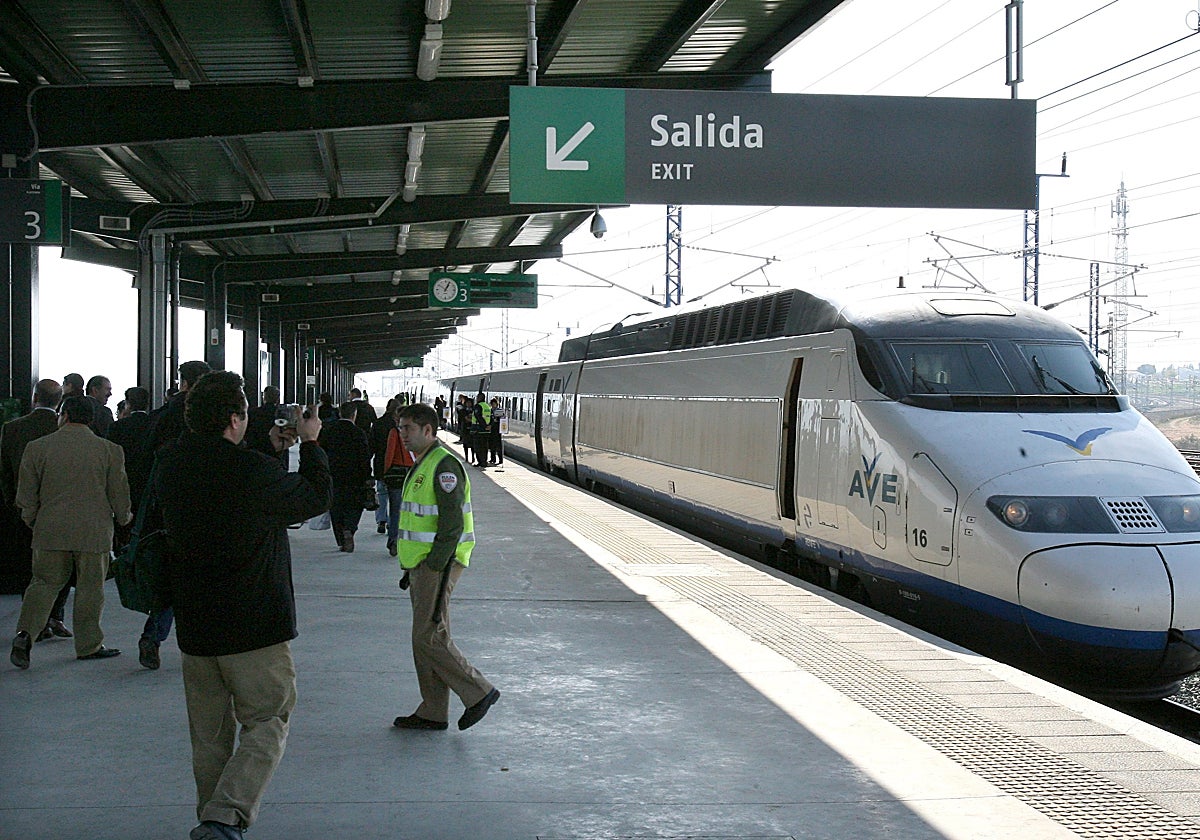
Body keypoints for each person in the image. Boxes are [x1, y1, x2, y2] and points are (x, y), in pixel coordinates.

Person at [154, 371, 328, 840]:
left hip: (195, 622)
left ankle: (212, 820)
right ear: (235, 419)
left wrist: (267, 450)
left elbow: (222, 485)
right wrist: (309, 444)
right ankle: (225, 816)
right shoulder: (253, 473)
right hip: (253, 625)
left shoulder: (171, 463)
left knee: (209, 736)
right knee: (268, 719)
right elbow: (314, 497)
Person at [392, 402, 499, 732]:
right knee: (426, 636)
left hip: (438, 564)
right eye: (400, 428)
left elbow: (452, 524)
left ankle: (479, 691)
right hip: (421, 564)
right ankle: (433, 710)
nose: (402, 434)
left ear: (428, 430)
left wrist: (435, 565)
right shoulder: (424, 462)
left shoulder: (443, 466)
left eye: (408, 428)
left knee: (428, 637)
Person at [9, 396, 132, 669]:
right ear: (90, 419)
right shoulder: (109, 450)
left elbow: (26, 495)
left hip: (50, 528)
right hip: (94, 530)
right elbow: (119, 494)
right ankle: (89, 645)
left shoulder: (37, 448)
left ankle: (25, 634)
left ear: (62, 415)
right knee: (91, 588)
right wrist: (124, 519)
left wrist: (32, 519)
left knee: (43, 583)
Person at [137, 359, 211, 670]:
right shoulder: (209, 414)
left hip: (168, 507)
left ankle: (153, 637)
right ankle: (205, 645)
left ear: (181, 380)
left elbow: (147, 458)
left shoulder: (162, 415)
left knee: (171, 577)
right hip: (205, 506)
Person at [0, 380, 65, 606]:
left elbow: (5, 473)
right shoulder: (62, 430)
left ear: (35, 398)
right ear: (59, 401)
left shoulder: (12, 428)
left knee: (26, 563)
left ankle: (31, 612)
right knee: (59, 564)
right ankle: (55, 614)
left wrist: (12, 502)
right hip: (58, 507)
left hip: (23, 507)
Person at [318, 401, 371, 552]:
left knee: (336, 507)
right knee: (355, 505)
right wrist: (367, 475)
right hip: (355, 477)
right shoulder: (359, 433)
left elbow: (321, 451)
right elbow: (364, 456)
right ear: (354, 415)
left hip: (334, 475)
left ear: (340, 413)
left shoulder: (329, 430)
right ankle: (350, 529)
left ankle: (341, 538)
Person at [369, 398, 399, 535]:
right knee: (395, 497)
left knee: (381, 493)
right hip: (397, 466)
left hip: (380, 464)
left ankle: (381, 520)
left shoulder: (378, 423)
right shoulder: (400, 427)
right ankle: (392, 524)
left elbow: (372, 446)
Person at [488, 397, 504, 465]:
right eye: (492, 404)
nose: (493, 405)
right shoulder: (490, 411)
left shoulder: (499, 411)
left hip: (498, 431)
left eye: (494, 404)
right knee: (492, 446)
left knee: (498, 446)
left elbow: (502, 419)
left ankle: (500, 460)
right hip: (492, 430)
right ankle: (492, 459)